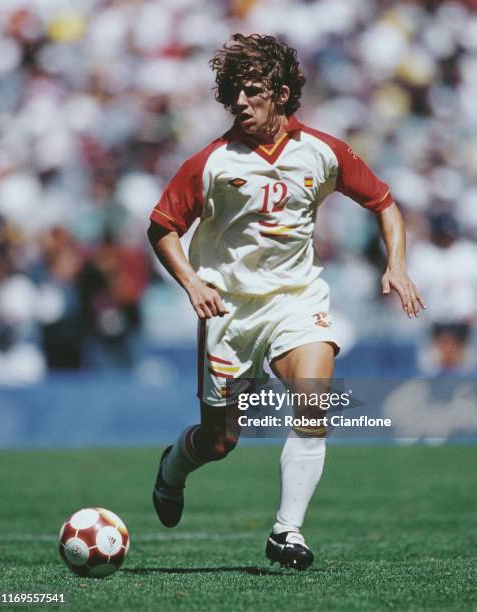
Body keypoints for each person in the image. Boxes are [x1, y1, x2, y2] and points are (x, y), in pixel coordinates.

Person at [147, 33, 425, 570]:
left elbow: (385, 203)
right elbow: (161, 228)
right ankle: (172, 470)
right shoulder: (210, 163)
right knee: (221, 440)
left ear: (279, 92)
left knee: (313, 401)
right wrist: (192, 282)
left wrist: (397, 264)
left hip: (297, 299)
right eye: (234, 96)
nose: (241, 104)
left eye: (252, 92)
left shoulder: (322, 151)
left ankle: (285, 531)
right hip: (229, 311)